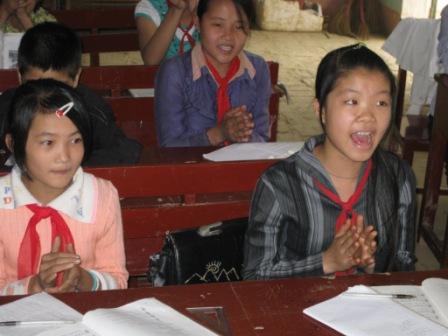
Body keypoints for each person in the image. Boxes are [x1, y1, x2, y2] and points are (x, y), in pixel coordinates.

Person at [243, 44, 417, 280]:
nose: (368, 117)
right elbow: (255, 277)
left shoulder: (398, 176)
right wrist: (326, 261)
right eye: (352, 101)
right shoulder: (279, 184)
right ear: (321, 110)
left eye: (381, 103)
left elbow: (404, 266)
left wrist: (372, 266)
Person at [0, 79, 128, 295]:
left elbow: (117, 281)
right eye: (48, 142)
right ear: (14, 144)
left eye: (75, 140)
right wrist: (35, 286)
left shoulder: (102, 196)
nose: (65, 157)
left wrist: (84, 279)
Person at [0, 22, 143, 165]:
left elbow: (124, 151)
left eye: (58, 87)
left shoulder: (90, 109)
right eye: (33, 85)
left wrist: (69, 167)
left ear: (76, 79)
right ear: (19, 76)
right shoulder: (6, 108)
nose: (45, 94)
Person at [155, 0, 271, 147]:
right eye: (218, 24)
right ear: (197, 22)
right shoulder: (174, 72)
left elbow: (262, 138)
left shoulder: (258, 70)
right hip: (191, 170)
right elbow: (169, 146)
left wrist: (241, 132)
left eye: (239, 26)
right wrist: (218, 133)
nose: (228, 36)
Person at [135, 0, 200, 65]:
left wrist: (200, 14)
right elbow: (151, 61)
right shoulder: (149, 7)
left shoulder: (207, 5)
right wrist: (177, 9)